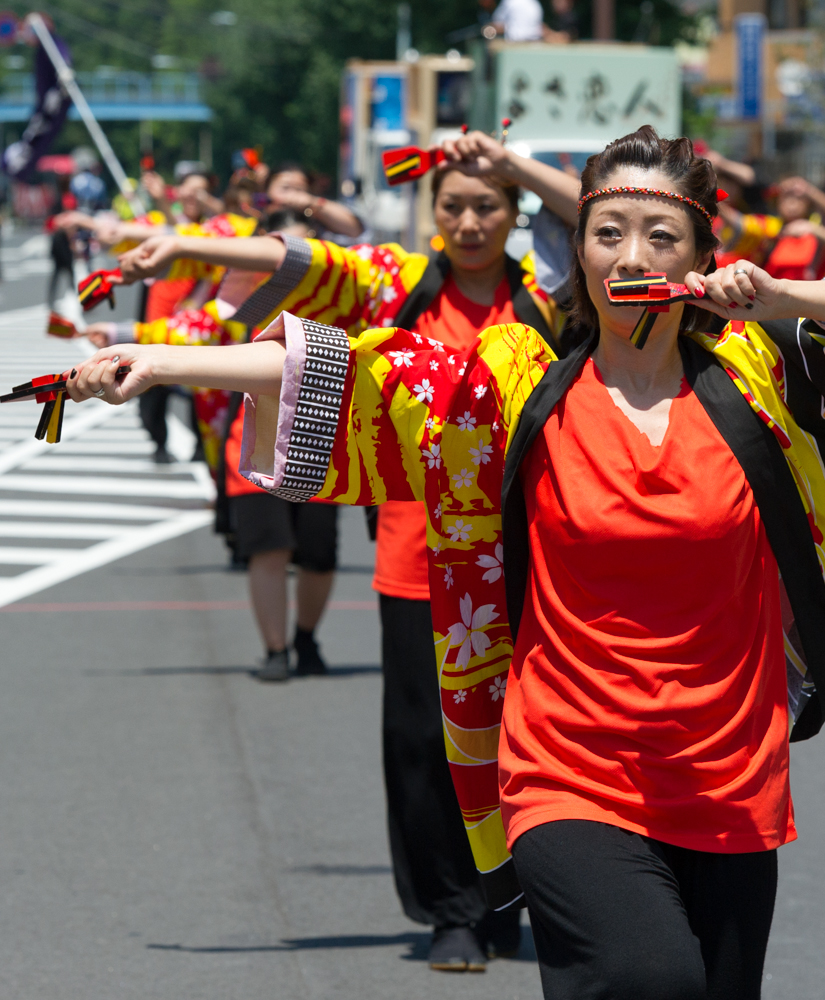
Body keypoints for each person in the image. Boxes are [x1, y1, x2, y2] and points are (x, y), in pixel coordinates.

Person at [68, 126, 825, 1000]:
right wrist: (156, 361)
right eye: (606, 234)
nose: (629, 256)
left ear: (701, 256)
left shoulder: (759, 377)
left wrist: (781, 298)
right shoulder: (519, 382)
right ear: (575, 252)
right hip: (567, 766)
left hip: (728, 774)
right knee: (651, 979)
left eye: (661, 236)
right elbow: (368, 371)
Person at [102, 131, 580, 972]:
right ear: (433, 215)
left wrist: (515, 163)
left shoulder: (553, 288)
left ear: (515, 213)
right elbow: (299, 255)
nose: (469, 222)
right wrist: (183, 241)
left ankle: (516, 890)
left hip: (538, 553)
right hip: (417, 554)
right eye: (454, 207)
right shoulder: (398, 282)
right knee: (425, 739)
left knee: (528, 736)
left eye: (488, 206)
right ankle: (452, 908)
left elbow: (613, 216)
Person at [82, 209, 336, 680]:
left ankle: (306, 637)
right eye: (278, 254)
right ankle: (277, 650)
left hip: (330, 440)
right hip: (257, 436)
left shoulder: (350, 296)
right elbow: (192, 331)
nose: (293, 267)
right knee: (269, 549)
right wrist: (123, 338)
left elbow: (352, 235)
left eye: (302, 254)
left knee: (318, 555)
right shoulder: (243, 298)